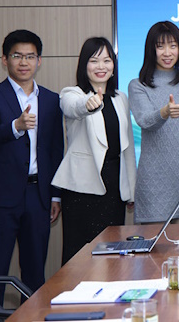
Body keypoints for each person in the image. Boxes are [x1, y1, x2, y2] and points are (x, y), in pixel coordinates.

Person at [0, 29, 63, 305]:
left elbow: (55, 150)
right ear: (5, 59)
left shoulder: (51, 100)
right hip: (0, 196)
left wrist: (55, 195)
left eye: (30, 56)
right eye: (17, 56)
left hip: (38, 196)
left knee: (35, 273)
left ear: (39, 61)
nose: (24, 62)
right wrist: (16, 125)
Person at [52, 37, 136, 264]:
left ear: (113, 66)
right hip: (82, 189)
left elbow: (127, 147)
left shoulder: (120, 98)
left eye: (107, 60)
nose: (101, 66)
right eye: (94, 60)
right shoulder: (72, 94)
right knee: (80, 258)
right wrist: (88, 105)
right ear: (84, 65)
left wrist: (130, 189)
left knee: (112, 256)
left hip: (114, 187)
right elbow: (73, 108)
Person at [129, 21, 179, 224]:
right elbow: (145, 121)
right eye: (160, 46)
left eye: (173, 45)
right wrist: (165, 112)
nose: (167, 52)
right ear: (150, 50)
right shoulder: (138, 85)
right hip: (153, 179)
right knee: (154, 243)